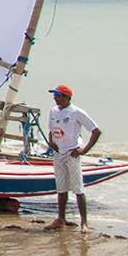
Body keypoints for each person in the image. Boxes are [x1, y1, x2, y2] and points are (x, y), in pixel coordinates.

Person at [44, 84, 103, 231]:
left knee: (78, 188)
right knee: (61, 187)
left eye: (57, 95)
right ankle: (61, 218)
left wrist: (83, 150)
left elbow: (96, 131)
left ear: (66, 97)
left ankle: (84, 222)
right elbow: (51, 129)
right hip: (58, 154)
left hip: (72, 153)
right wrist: (51, 142)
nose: (54, 97)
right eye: (54, 95)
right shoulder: (53, 111)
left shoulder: (76, 112)